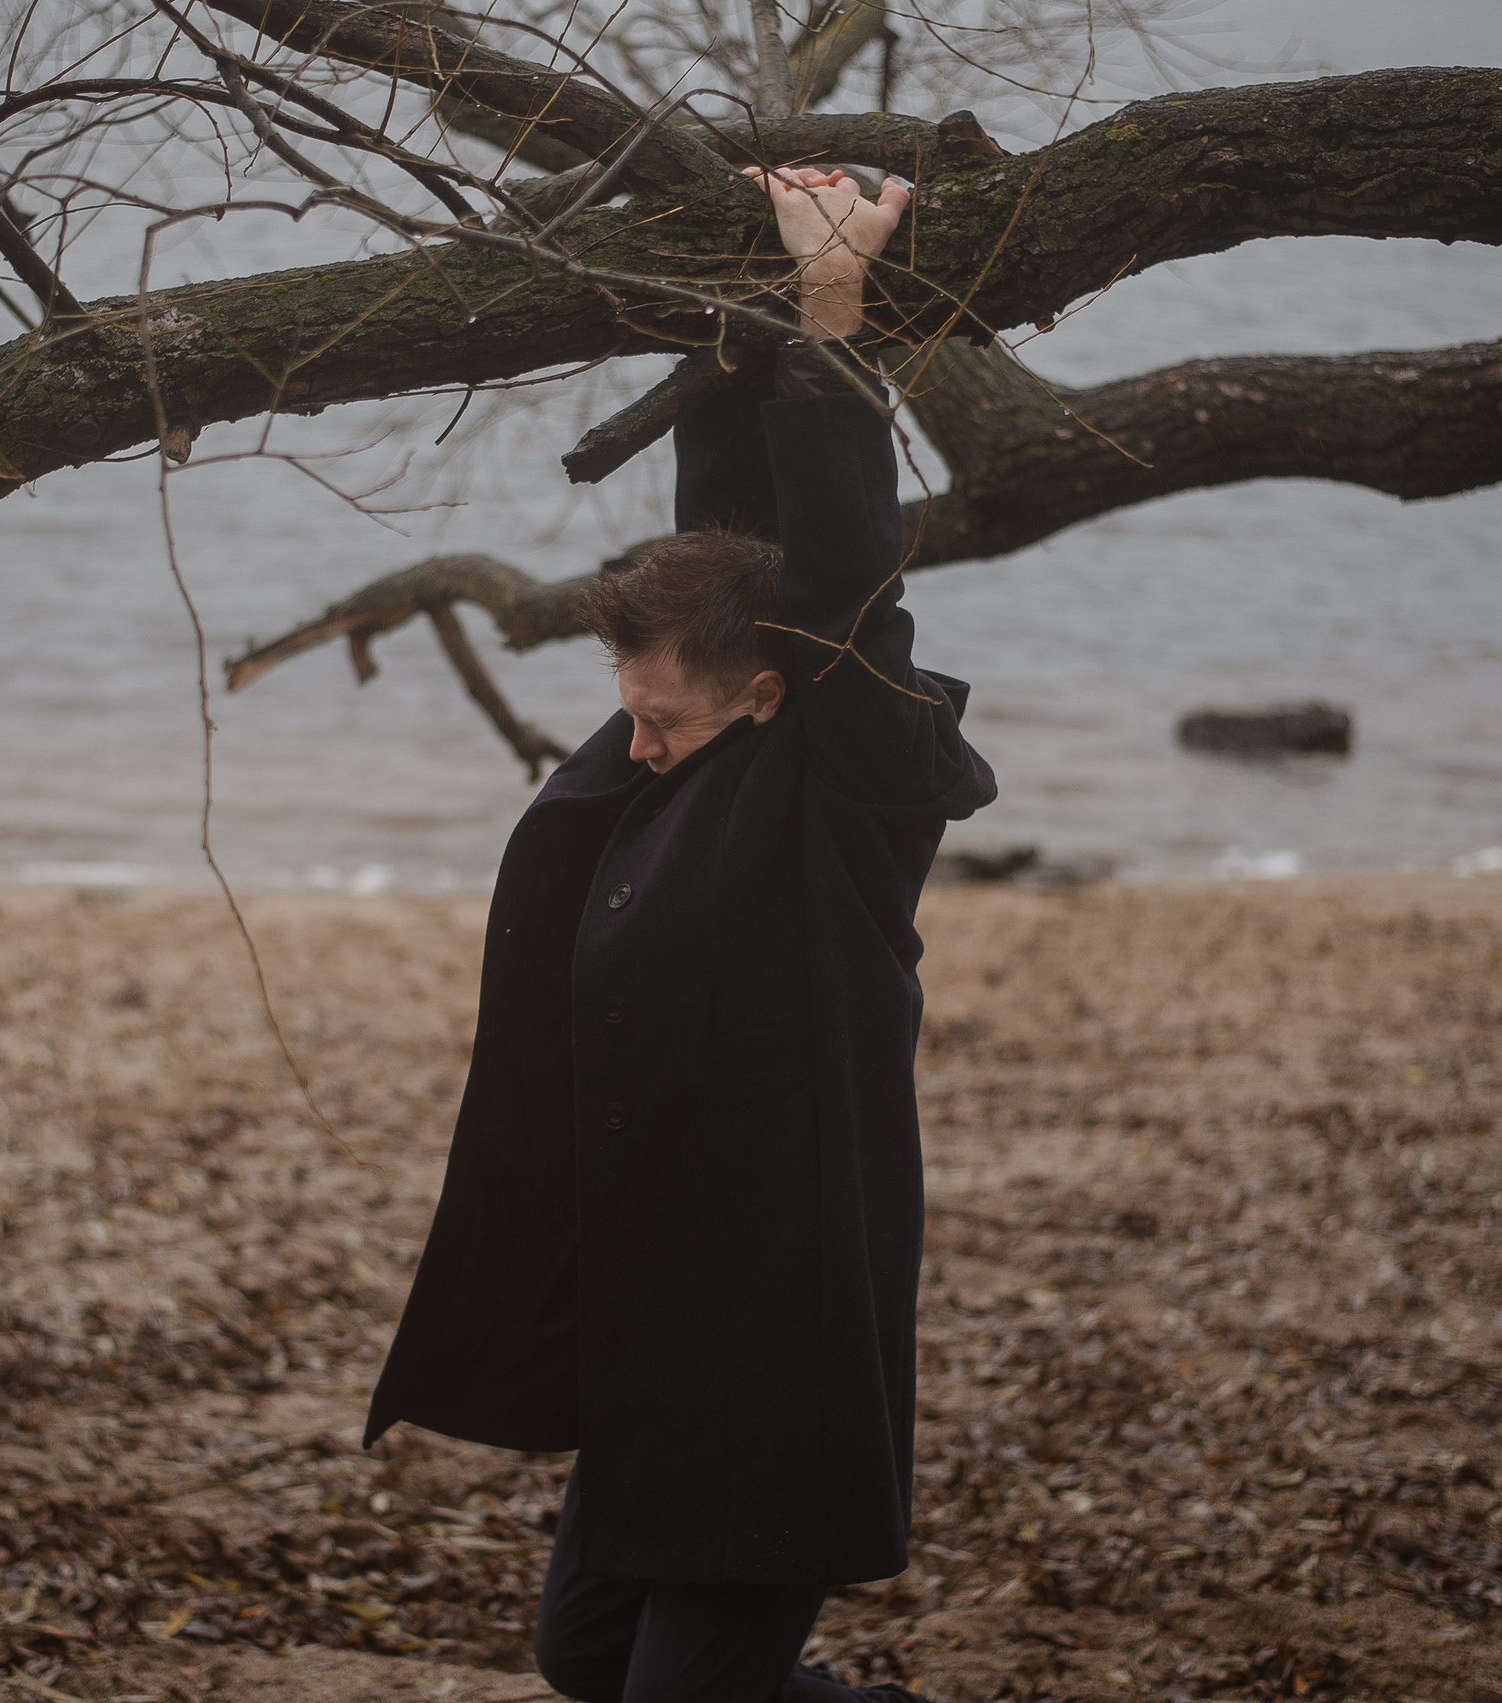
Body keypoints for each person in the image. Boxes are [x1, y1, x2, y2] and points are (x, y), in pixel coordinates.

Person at [363, 164, 998, 1703]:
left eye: (660, 719)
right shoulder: (706, 718)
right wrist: (738, 300)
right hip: (667, 1342)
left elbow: (843, 578)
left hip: (776, 1347)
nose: (630, 744)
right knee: (585, 1653)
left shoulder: (845, 790)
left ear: (773, 696)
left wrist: (835, 306)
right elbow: (734, 534)